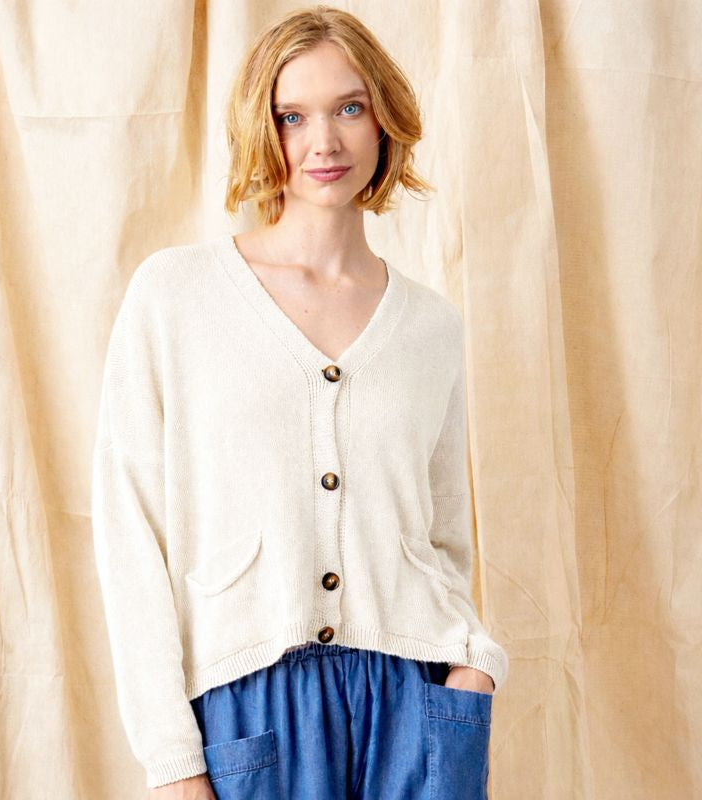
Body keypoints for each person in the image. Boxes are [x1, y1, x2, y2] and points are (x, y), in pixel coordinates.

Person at [91, 5, 509, 799]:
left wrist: (474, 667)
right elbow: (128, 532)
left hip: (416, 700)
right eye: (293, 116)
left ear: (384, 121)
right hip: (250, 706)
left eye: (350, 107)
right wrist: (172, 759)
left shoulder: (431, 327)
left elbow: (445, 541)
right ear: (263, 127)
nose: (325, 143)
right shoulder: (175, 297)